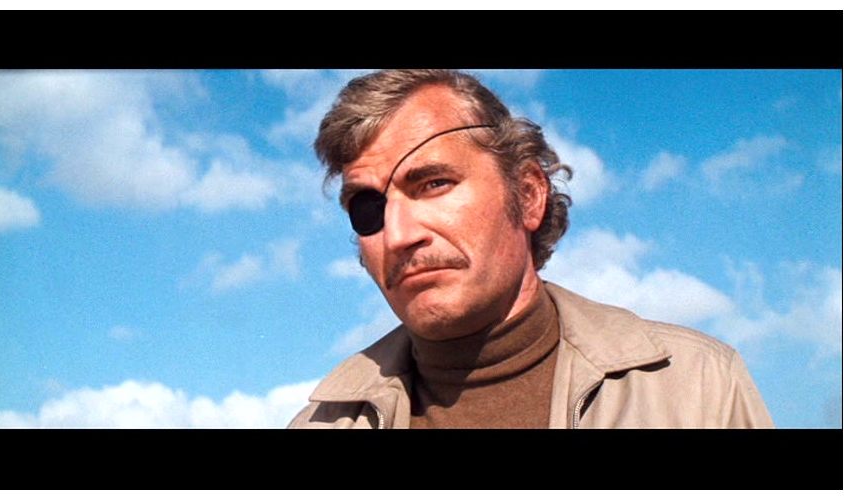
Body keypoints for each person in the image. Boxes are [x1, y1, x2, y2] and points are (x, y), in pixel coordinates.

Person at [288, 69, 774, 429]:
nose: (398, 235)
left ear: (528, 195)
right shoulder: (321, 424)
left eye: (434, 183)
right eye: (368, 208)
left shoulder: (697, 389)